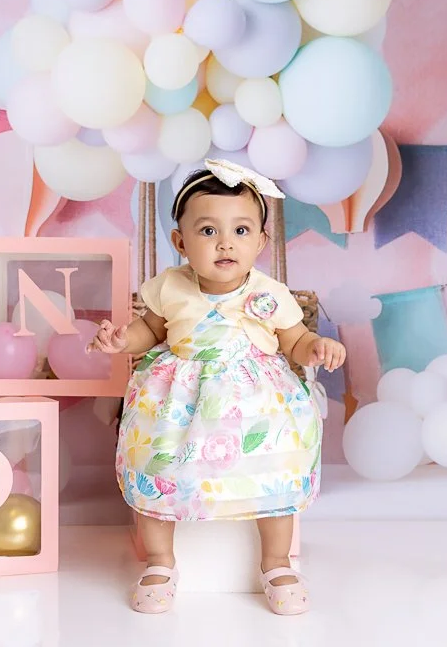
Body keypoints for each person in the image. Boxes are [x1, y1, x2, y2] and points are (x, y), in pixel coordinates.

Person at [88, 159, 346, 615]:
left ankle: (276, 562)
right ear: (179, 242)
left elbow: (294, 340)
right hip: (180, 393)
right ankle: (161, 562)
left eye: (241, 231)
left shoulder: (271, 292)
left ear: (262, 242)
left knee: (277, 463)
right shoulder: (169, 285)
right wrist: (121, 340)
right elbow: (149, 330)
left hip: (255, 396)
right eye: (207, 231)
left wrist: (316, 348)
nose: (226, 242)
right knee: (155, 459)